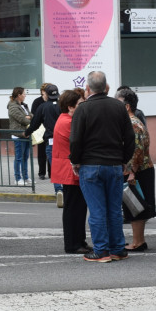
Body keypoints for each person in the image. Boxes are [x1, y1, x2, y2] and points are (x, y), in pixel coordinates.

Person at [70, 71, 135, 262]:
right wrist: (125, 159)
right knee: (114, 209)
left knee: (97, 210)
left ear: (88, 88)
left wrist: (75, 160)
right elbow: (130, 138)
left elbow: (75, 140)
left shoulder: (82, 109)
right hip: (114, 165)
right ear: (106, 87)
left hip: (90, 165)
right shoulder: (119, 107)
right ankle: (117, 249)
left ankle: (101, 251)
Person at [116, 88, 156, 252]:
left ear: (126, 107)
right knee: (135, 206)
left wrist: (131, 172)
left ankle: (138, 242)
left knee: (136, 206)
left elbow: (136, 150)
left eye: (117, 103)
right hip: (140, 169)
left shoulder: (133, 124)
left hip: (138, 171)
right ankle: (138, 240)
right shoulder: (133, 122)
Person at [52, 89, 91, 254]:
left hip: (69, 169)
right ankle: (73, 243)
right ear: (70, 107)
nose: (83, 106)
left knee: (78, 208)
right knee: (74, 209)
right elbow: (80, 143)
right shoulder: (67, 122)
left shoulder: (67, 120)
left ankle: (79, 240)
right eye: (80, 104)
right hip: (70, 170)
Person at [26, 83, 63, 206]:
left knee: (55, 167)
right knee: (66, 165)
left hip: (51, 140)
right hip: (65, 140)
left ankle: (59, 190)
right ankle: (68, 189)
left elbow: (35, 124)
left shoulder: (43, 107)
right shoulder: (63, 105)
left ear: (46, 94)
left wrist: (27, 132)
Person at [7, 87, 32, 185]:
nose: (25, 95)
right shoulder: (13, 106)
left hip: (25, 133)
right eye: (24, 93)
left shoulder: (23, 105)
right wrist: (28, 118)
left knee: (25, 157)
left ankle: (25, 177)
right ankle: (18, 178)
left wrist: (29, 117)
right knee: (19, 157)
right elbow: (22, 119)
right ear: (19, 95)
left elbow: (31, 115)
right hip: (18, 135)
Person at [31, 83, 52, 180]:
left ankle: (51, 173)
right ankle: (42, 173)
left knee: (51, 151)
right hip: (40, 130)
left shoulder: (53, 100)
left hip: (50, 129)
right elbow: (34, 115)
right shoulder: (37, 101)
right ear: (43, 91)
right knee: (41, 152)